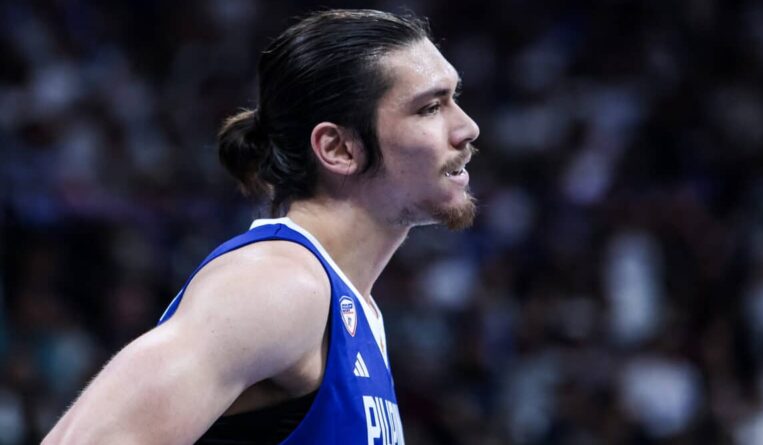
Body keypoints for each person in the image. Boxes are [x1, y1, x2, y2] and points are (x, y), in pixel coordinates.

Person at [43, 8, 479, 444]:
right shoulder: (276, 285)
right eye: (430, 108)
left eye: (454, 99)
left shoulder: (345, 304)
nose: (467, 128)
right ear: (339, 149)